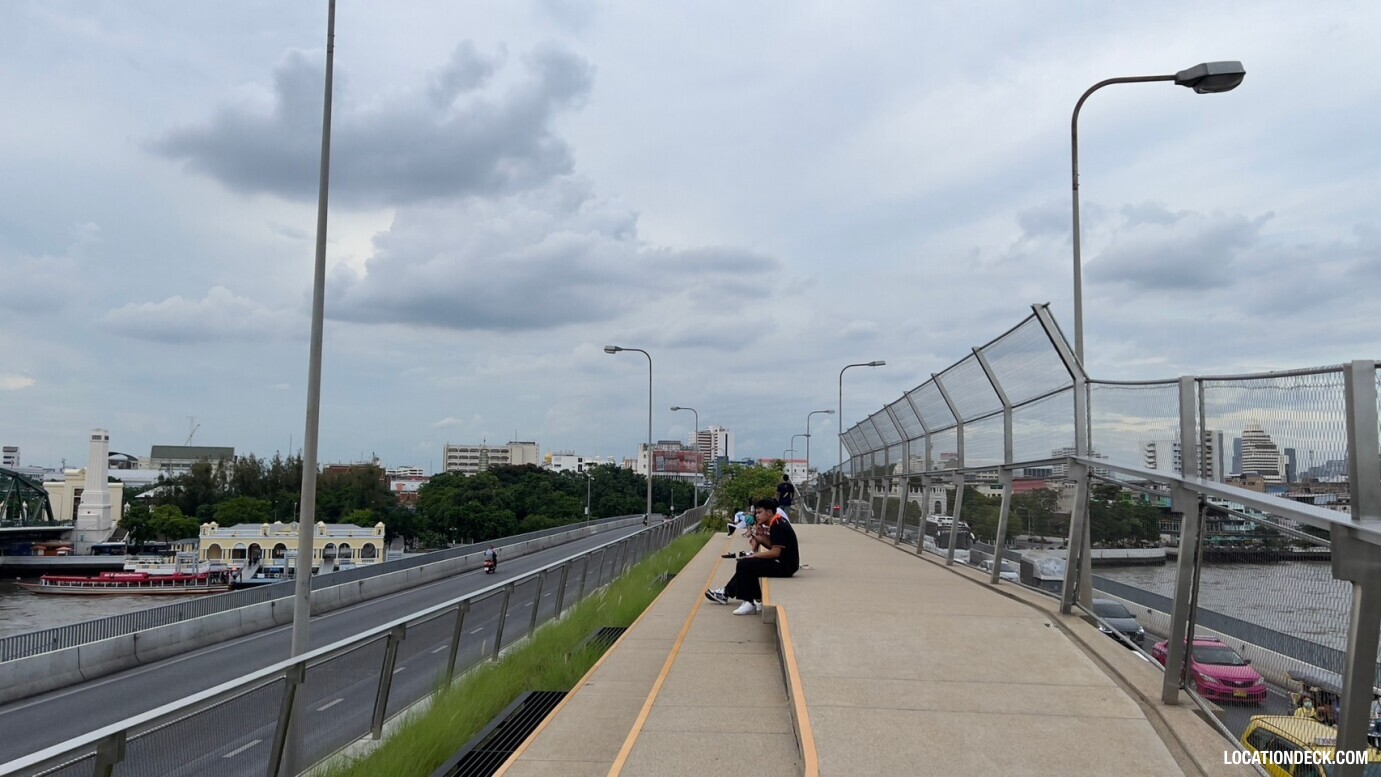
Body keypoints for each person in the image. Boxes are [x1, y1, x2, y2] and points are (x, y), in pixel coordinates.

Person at [705, 498, 800, 615]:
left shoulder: (778, 525)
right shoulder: (777, 522)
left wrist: (756, 554)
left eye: (759, 512)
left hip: (785, 567)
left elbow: (776, 552)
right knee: (746, 564)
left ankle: (749, 602)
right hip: (784, 563)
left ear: (769, 512)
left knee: (746, 564)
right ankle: (751, 598)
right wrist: (760, 537)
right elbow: (772, 545)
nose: (757, 516)